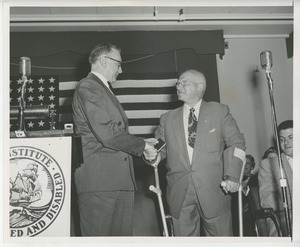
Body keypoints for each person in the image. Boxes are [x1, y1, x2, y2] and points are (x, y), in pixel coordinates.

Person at [144, 69, 246, 236]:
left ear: (200, 87)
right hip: (179, 193)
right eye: (178, 83)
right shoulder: (167, 118)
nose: (179, 86)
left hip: (215, 192)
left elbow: (237, 144)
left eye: (185, 83)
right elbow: (160, 150)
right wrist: (152, 156)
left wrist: (233, 176)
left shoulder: (219, 112)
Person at [72, 43, 156, 236]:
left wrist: (143, 143)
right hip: (100, 184)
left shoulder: (101, 89)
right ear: (103, 61)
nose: (121, 69)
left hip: (115, 183)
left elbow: (113, 131)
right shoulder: (88, 87)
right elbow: (108, 134)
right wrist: (142, 145)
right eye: (118, 64)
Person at [258, 120, 293, 236]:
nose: (286, 143)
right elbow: (266, 199)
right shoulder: (269, 164)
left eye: (291, 138)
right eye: (282, 139)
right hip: (287, 218)